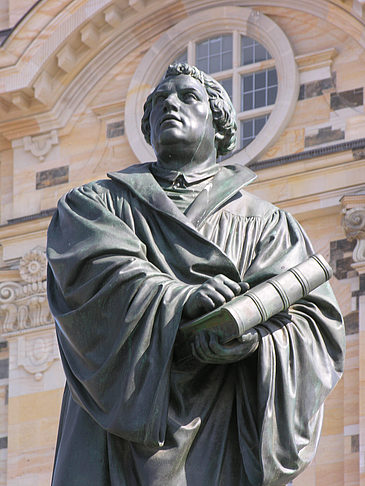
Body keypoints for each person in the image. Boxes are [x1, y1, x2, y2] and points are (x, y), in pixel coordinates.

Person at [47, 63, 345, 486]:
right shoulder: (94, 203)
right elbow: (97, 274)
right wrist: (180, 300)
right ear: (148, 128)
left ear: (219, 124)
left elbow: (315, 323)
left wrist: (253, 339)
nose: (171, 103)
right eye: (160, 101)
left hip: (222, 414)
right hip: (121, 414)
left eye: (188, 96)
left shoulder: (267, 223)